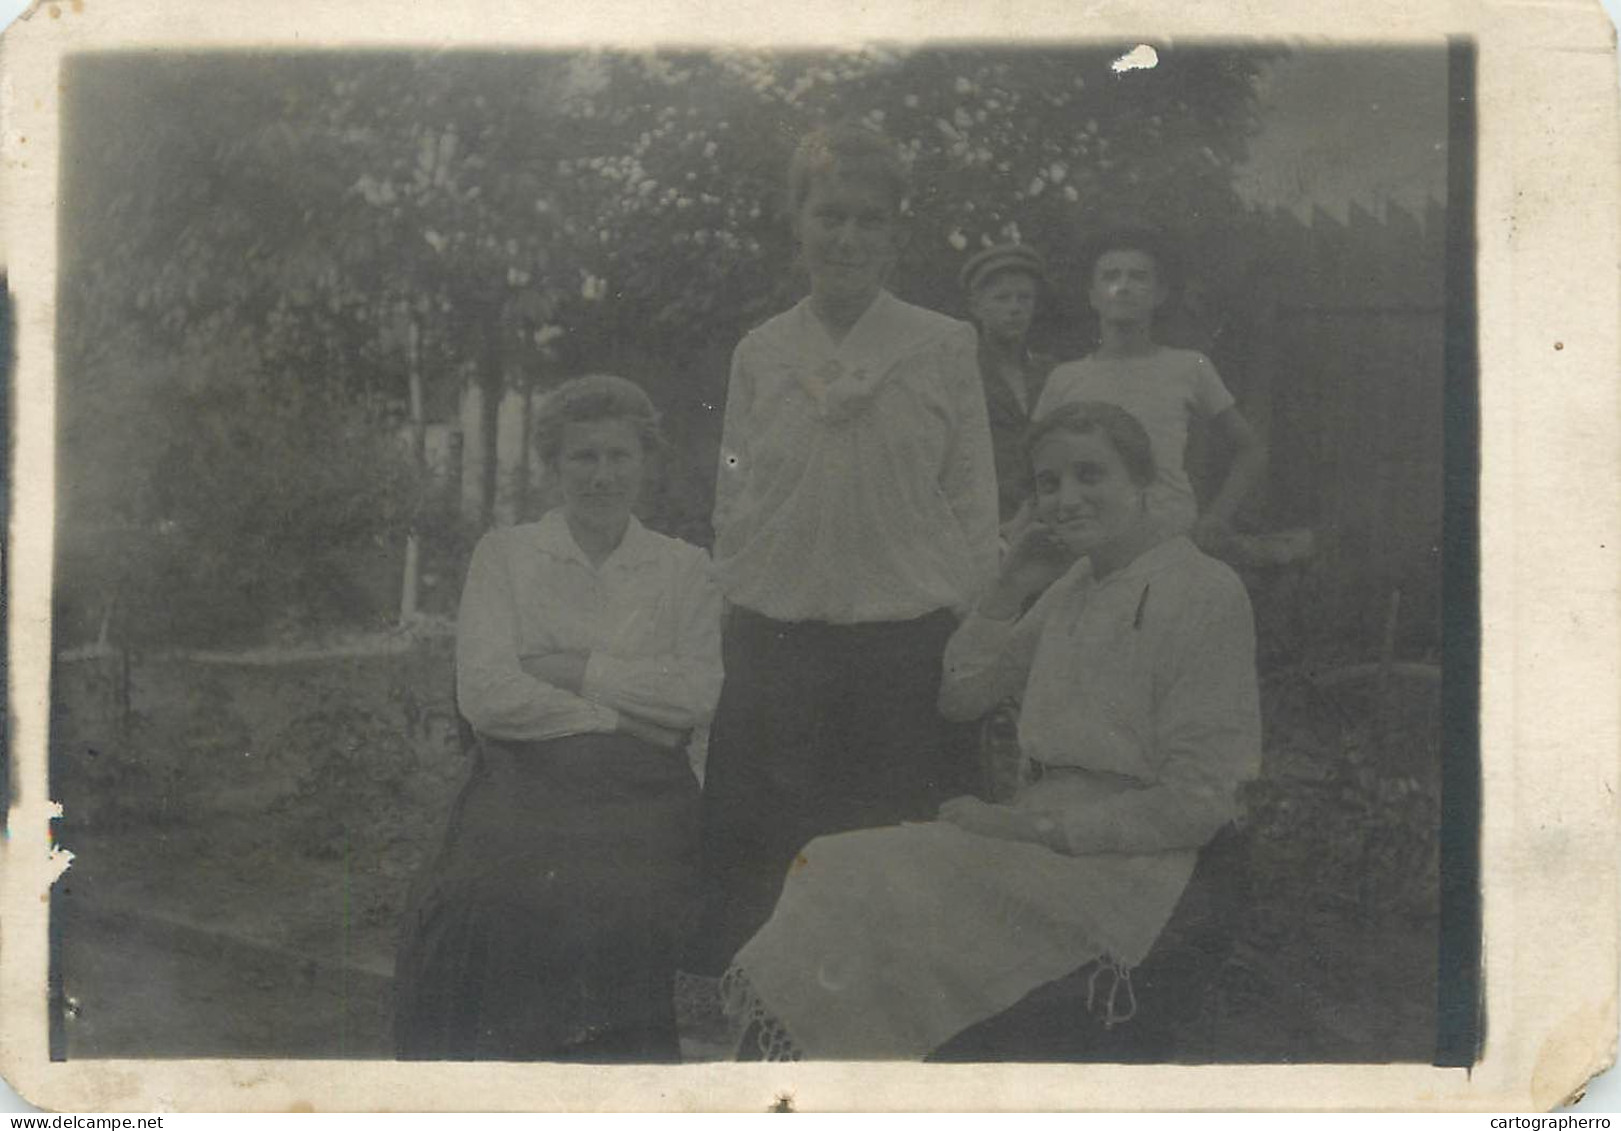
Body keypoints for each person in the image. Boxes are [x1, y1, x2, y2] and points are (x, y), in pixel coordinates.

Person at [719, 400, 1262, 1060]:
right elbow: (962, 695)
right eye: (1048, 482)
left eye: (1091, 474)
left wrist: (1021, 828)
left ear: (1142, 479)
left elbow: (1197, 800)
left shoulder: (1202, 589)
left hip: (1132, 863)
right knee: (831, 866)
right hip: (1037, 836)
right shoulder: (1074, 587)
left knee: (848, 873)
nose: (1066, 498)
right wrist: (1007, 587)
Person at [688, 123, 1000, 979]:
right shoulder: (762, 351)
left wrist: (966, 625)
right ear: (798, 221)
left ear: (895, 234)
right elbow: (736, 484)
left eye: (870, 220)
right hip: (775, 638)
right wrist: (741, 586)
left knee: (886, 861)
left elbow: (973, 497)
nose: (848, 237)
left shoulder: (941, 345)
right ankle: (759, 1025)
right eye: (830, 215)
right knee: (767, 866)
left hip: (901, 643)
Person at [393, 374, 723, 1062]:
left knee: (614, 909)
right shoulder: (508, 555)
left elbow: (695, 695)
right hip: (522, 775)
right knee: (481, 909)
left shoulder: (681, 568)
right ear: (554, 465)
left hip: (641, 792)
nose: (602, 475)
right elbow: (485, 695)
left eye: (618, 456)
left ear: (643, 461)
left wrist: (574, 668)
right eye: (583, 457)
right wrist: (625, 718)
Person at [1033, 226, 1267, 550]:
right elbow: (1037, 467)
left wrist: (1217, 516)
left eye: (1138, 277)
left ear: (1159, 294)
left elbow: (1250, 449)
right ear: (1093, 295)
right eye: (1111, 276)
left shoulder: (1189, 366)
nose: (1124, 286)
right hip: (1089, 548)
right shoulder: (1064, 378)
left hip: (1169, 539)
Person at [959, 243, 1059, 531]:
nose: (1015, 308)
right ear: (976, 306)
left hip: (1045, 518)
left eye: (1024, 298)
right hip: (981, 518)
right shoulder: (962, 369)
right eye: (1002, 298)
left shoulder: (1050, 371)